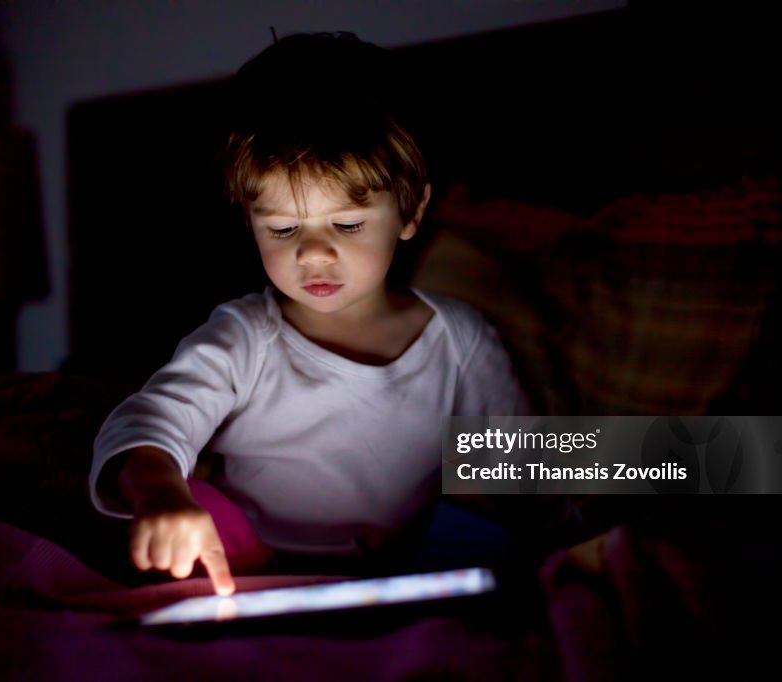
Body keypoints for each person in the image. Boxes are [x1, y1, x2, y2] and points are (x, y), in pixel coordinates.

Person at [89, 32, 530, 596]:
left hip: (412, 569)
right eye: (283, 229)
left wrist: (665, 458)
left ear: (411, 211)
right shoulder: (244, 339)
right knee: (196, 512)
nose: (313, 254)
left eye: (347, 226)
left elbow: (516, 469)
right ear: (249, 220)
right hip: (249, 569)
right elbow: (149, 423)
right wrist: (161, 495)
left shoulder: (459, 342)